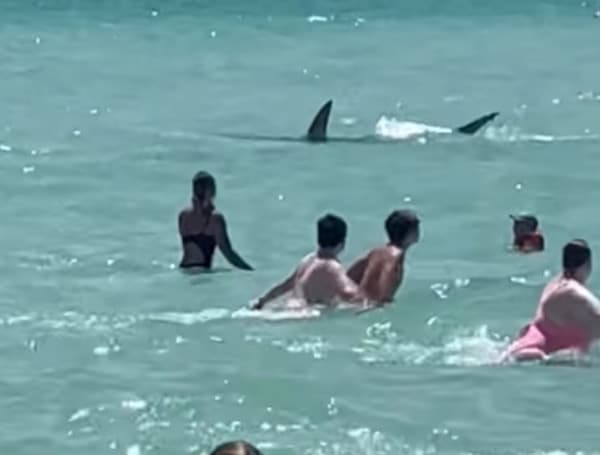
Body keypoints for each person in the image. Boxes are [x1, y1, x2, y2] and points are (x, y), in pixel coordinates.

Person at [502, 239, 600, 362]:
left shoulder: (555, 284)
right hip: (532, 354)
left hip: (519, 349)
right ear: (588, 265)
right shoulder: (573, 292)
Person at [252, 213, 364, 309]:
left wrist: (263, 301)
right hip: (303, 314)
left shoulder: (307, 260)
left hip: (290, 308)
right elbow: (350, 292)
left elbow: (286, 285)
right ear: (342, 243)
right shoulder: (331, 266)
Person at [178, 171, 253, 270]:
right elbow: (228, 253)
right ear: (210, 191)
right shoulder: (215, 219)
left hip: (184, 271)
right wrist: (250, 271)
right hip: (202, 274)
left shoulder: (183, 216)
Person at [347, 209, 420, 305]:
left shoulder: (376, 252)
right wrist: (383, 301)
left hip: (358, 302)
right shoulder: (396, 255)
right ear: (410, 233)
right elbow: (388, 272)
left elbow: (349, 276)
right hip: (371, 306)